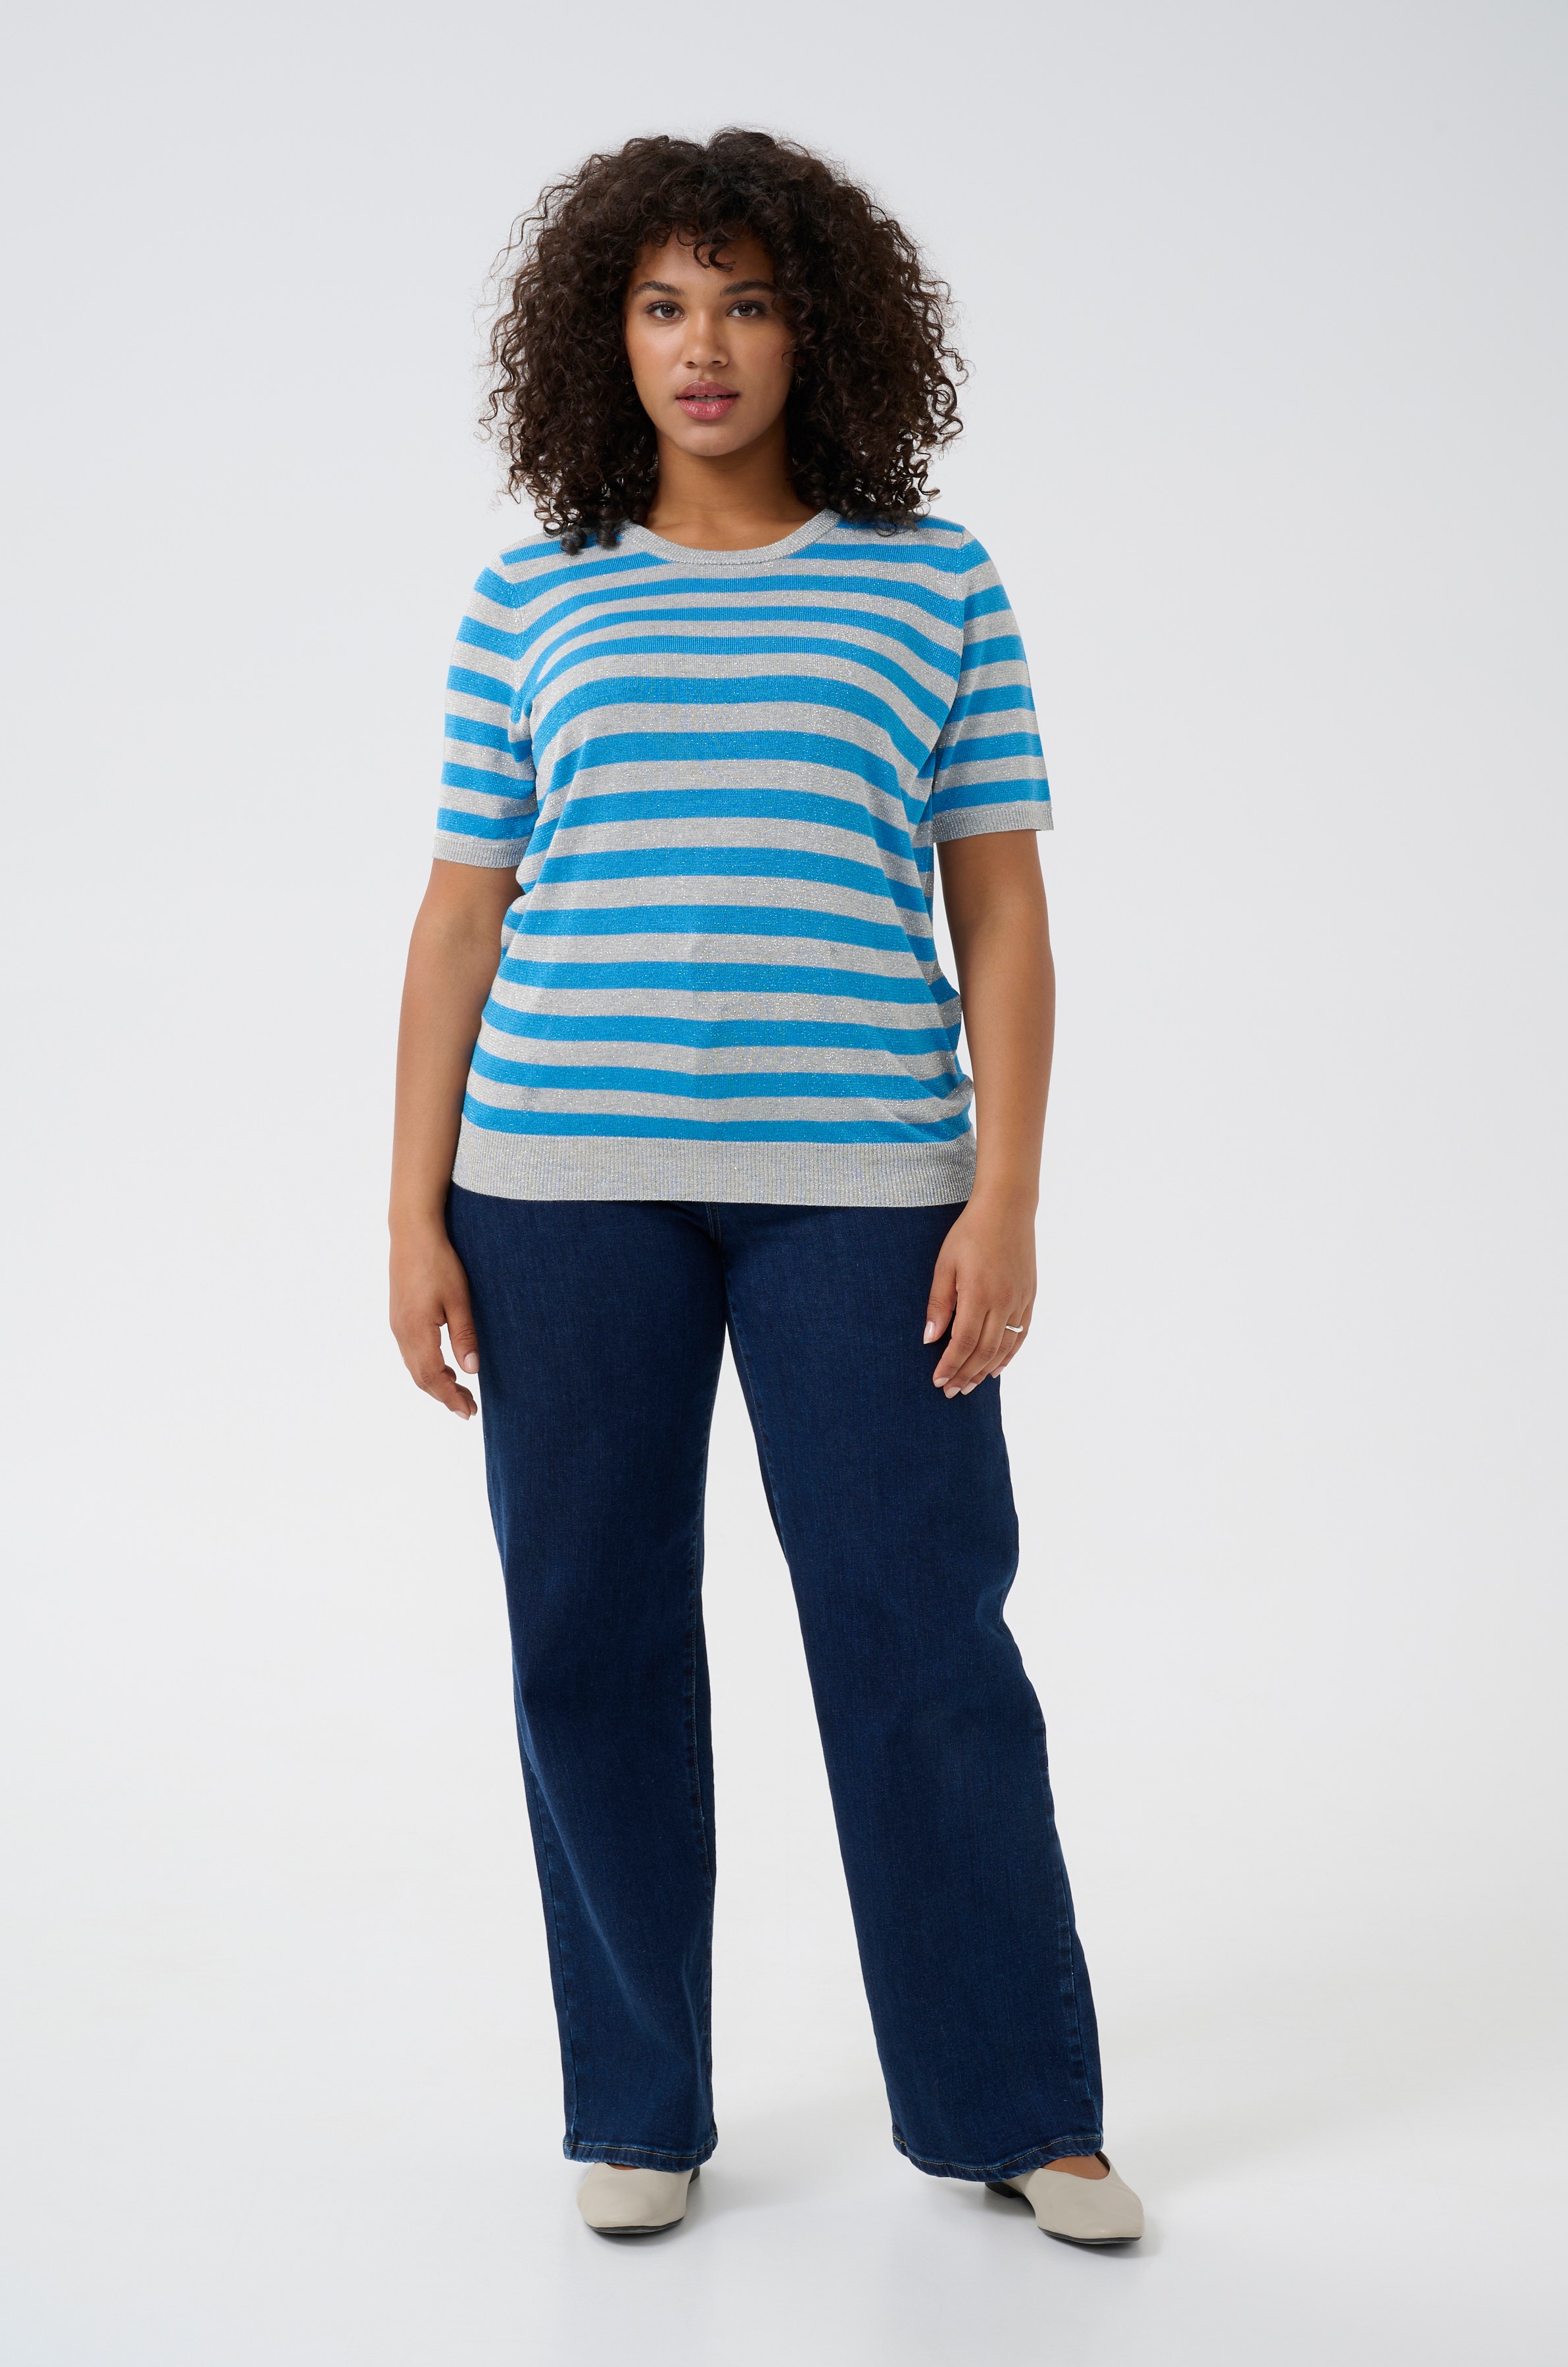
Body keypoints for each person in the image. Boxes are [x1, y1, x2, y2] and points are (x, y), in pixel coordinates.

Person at [389, 129, 1143, 2247]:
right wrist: (409, 1209)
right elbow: (460, 918)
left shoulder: (932, 580)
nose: (702, 345)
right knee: (591, 1636)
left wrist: (1007, 1190)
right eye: (661, 305)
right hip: (557, 1185)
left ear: (822, 328)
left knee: (923, 1636)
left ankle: (1018, 2109)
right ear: (604, 337)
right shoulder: (535, 592)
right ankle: (638, 2104)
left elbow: (1003, 913)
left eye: (745, 300)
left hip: (870, 1187)